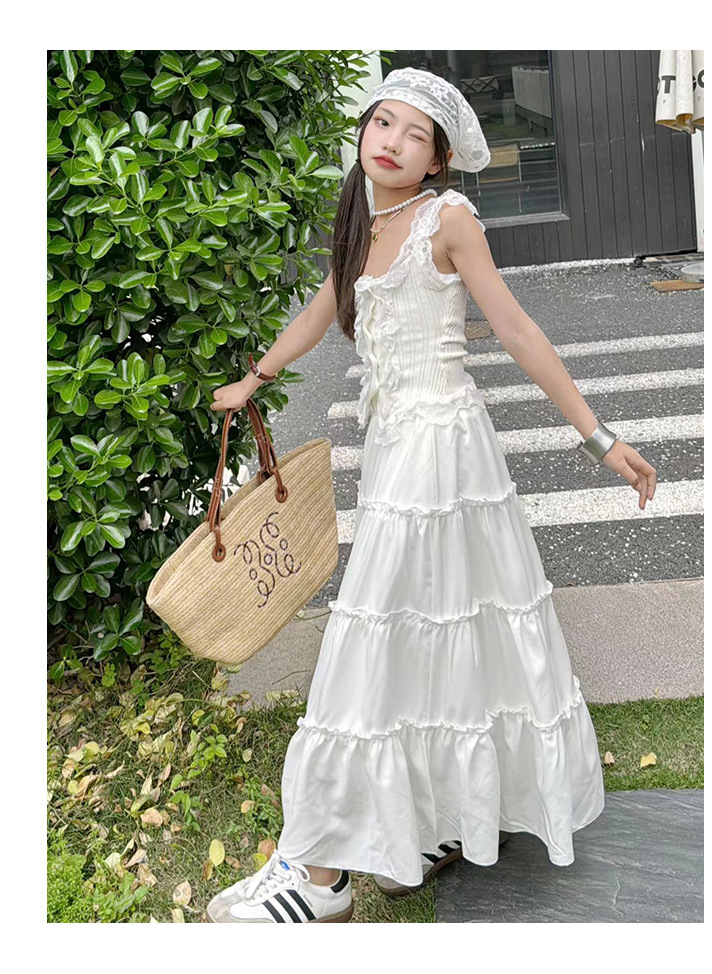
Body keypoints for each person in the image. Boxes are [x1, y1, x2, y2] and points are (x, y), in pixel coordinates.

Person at [205, 67, 658, 924]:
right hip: (395, 447)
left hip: (441, 450)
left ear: (438, 160)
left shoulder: (447, 219)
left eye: (416, 135)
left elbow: (515, 327)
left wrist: (601, 439)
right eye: (383, 122)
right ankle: (439, 820)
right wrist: (255, 377)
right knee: (432, 631)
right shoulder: (364, 220)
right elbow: (323, 308)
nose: (392, 141)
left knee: (375, 634)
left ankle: (320, 875)